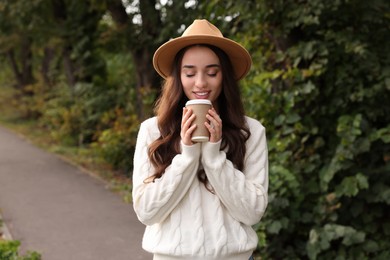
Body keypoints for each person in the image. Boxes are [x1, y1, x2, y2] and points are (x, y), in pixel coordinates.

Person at [132, 19, 268, 260]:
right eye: (190, 72)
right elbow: (146, 212)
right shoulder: (153, 131)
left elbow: (252, 212)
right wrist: (188, 156)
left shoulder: (251, 132)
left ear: (224, 76)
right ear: (178, 76)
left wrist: (214, 156)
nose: (201, 83)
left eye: (212, 72)